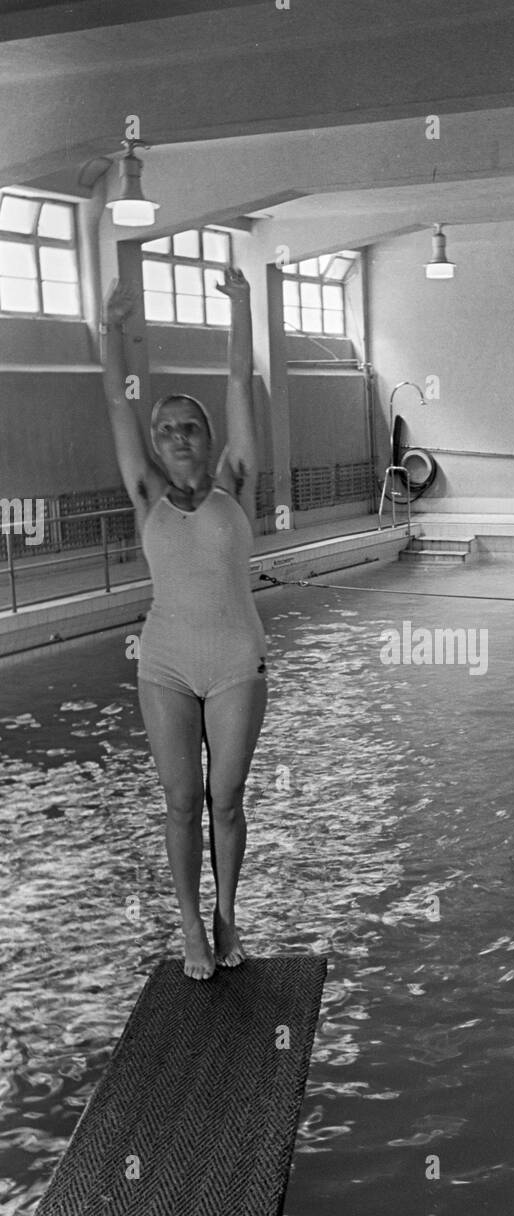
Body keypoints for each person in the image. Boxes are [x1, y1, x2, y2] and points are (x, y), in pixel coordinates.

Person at [100, 267, 267, 980]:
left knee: (224, 799)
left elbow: (238, 385)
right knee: (180, 801)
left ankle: (228, 913)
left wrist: (242, 307)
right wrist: (111, 331)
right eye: (164, 429)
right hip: (165, 660)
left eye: (187, 426)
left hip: (235, 660)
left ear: (206, 438)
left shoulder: (237, 480)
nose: (174, 436)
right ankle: (192, 928)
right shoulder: (145, 494)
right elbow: (116, 399)